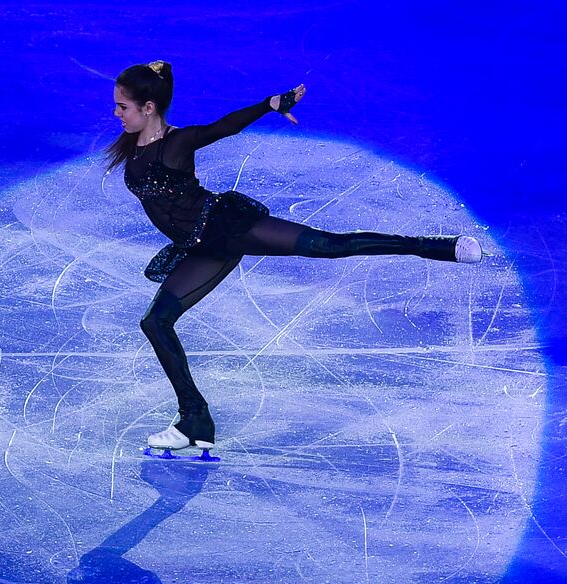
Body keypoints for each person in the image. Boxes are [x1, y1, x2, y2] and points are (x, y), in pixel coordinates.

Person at [108, 60, 481, 453]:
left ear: (148, 108)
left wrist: (269, 104)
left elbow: (224, 126)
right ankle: (195, 419)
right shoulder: (133, 146)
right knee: (155, 322)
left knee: (332, 245)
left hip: (228, 227)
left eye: (123, 107)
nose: (116, 113)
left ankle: (438, 246)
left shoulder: (177, 143)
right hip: (201, 249)